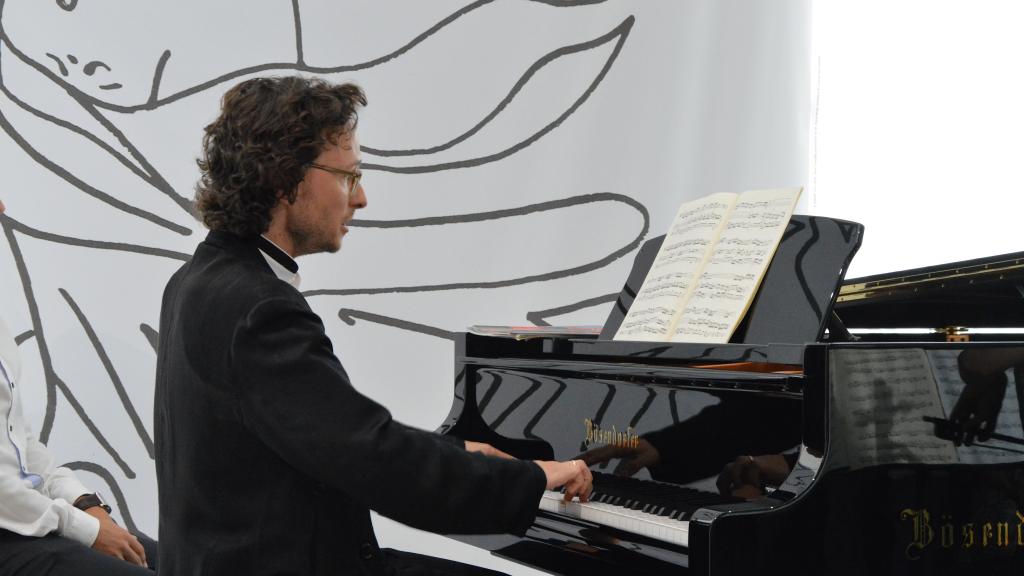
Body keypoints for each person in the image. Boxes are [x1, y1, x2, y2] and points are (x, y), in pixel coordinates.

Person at [154, 76, 593, 576]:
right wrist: (531, 477)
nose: (360, 198)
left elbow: (335, 436)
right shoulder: (259, 308)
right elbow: (375, 461)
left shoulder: (199, 278)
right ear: (284, 178)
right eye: (348, 176)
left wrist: (458, 453)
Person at [0, 199, 156, 575]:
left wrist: (85, 502)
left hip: (30, 521)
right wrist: (85, 529)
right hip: (12, 532)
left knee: (180, 559)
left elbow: (20, 442)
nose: (3, 206)